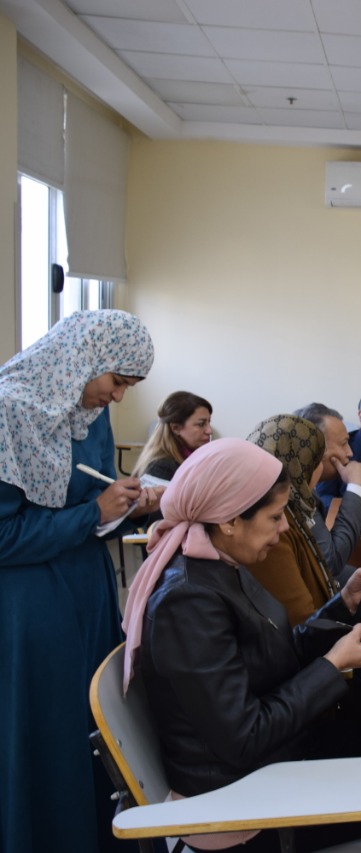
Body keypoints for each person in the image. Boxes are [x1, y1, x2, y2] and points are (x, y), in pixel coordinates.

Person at [122, 438, 361, 852]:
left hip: (272, 759)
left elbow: (268, 653)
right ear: (229, 520)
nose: (284, 529)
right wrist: (331, 665)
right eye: (274, 518)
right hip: (243, 796)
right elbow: (244, 737)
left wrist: (343, 605)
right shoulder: (188, 601)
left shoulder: (217, 564)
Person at [0, 309, 157, 853]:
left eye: (128, 386)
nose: (118, 396)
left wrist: (129, 504)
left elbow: (92, 498)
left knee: (95, 727)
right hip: (33, 605)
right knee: (50, 736)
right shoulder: (9, 409)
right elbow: (4, 537)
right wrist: (93, 513)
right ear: (84, 358)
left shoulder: (89, 412)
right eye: (117, 381)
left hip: (87, 592)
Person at [244, 414, 359, 625]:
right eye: (316, 460)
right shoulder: (275, 524)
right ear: (299, 464)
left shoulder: (295, 505)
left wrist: (345, 598)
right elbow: (301, 619)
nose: (320, 468)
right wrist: (357, 487)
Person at [292, 402, 361, 575]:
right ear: (314, 448)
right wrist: (357, 487)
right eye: (343, 444)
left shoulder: (305, 486)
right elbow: (330, 563)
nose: (350, 452)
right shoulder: (295, 494)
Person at [132, 391, 214, 480]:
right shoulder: (161, 466)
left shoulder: (196, 458)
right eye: (201, 424)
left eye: (209, 422)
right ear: (176, 428)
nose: (209, 431)